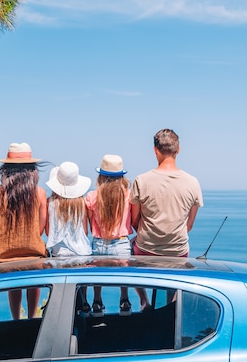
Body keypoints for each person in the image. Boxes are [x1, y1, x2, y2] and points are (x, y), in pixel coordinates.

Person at [130, 129, 203, 309]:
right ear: (178, 150)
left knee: (129, 248)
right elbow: (189, 225)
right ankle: (172, 306)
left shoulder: (141, 180)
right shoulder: (192, 182)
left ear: (155, 150)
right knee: (176, 278)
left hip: (145, 249)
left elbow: (134, 221)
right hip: (177, 251)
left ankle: (144, 300)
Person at [0, 142, 48, 319]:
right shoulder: (39, 193)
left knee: (13, 282)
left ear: (6, 169)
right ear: (31, 169)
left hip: (4, 256)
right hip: (33, 254)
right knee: (34, 275)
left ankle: (15, 319)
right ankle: (31, 317)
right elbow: (41, 228)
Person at [85, 154, 134, 316]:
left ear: (101, 176)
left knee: (97, 276)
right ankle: (124, 301)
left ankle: (97, 302)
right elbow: (133, 219)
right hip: (121, 243)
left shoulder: (93, 196)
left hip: (99, 242)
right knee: (124, 277)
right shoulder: (128, 196)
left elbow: (90, 221)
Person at [45, 161, 92, 314]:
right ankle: (84, 302)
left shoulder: (50, 203)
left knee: (62, 293)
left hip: (61, 255)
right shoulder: (82, 203)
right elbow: (85, 230)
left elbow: (47, 232)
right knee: (81, 286)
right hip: (82, 253)